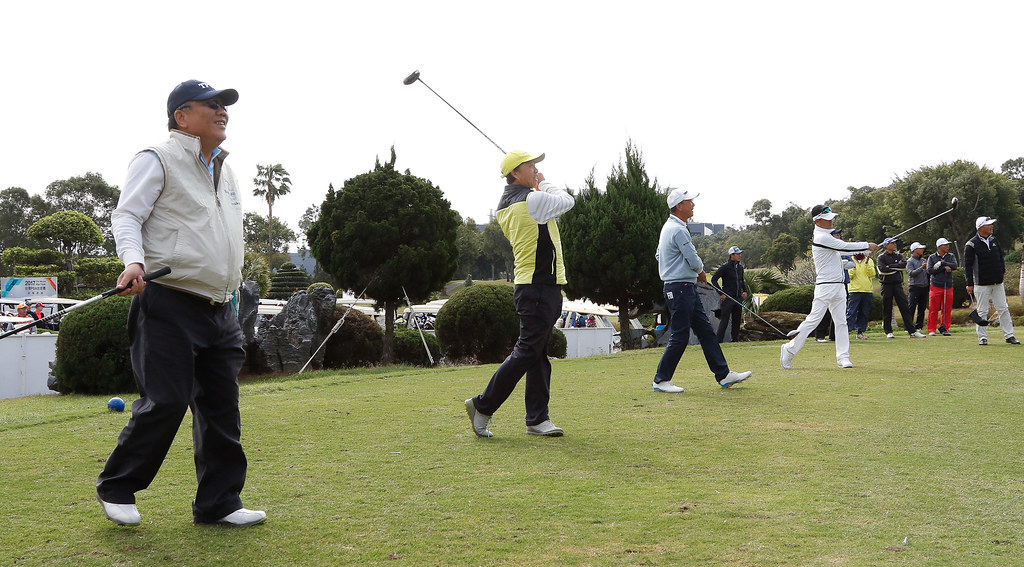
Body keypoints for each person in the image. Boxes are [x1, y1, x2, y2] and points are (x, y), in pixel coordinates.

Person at [96, 80, 265, 527]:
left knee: (221, 409)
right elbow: (127, 215)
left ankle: (219, 502)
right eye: (211, 105)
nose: (221, 111)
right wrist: (133, 261)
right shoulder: (157, 158)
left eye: (224, 106)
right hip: (169, 301)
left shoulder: (225, 169)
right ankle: (117, 486)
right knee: (166, 401)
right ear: (181, 116)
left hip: (219, 306)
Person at [466, 150, 574, 438]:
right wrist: (545, 182)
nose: (536, 169)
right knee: (528, 351)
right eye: (531, 166)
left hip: (535, 285)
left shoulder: (508, 202)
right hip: (539, 286)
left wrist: (536, 182)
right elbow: (568, 201)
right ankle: (483, 405)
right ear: (516, 173)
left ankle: (537, 419)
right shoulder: (533, 198)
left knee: (537, 353)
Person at [651, 189, 751, 393]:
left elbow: (659, 255)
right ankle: (661, 380)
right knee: (680, 335)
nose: (693, 205)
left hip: (683, 286)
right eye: (689, 201)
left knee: (706, 331)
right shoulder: (677, 229)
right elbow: (692, 257)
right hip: (680, 287)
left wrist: (689, 271)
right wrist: (699, 270)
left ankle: (723, 374)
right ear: (679, 206)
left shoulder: (670, 227)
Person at [781, 205, 879, 369]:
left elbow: (841, 252)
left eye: (831, 218)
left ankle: (843, 357)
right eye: (827, 219)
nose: (831, 221)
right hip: (825, 286)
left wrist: (866, 250)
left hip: (840, 286)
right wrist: (866, 245)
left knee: (841, 322)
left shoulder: (829, 238)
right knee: (813, 320)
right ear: (817, 220)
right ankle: (789, 349)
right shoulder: (821, 237)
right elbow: (844, 247)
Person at [964, 216, 1019, 345]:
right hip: (981, 283)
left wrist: (1002, 272)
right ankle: (982, 338)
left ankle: (1009, 335)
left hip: (998, 282)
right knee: (982, 311)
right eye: (989, 224)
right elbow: (967, 265)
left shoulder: (994, 240)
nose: (991, 226)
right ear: (980, 228)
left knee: (1003, 308)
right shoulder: (971, 244)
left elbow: (1000, 257)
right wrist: (969, 283)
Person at [876, 237, 927, 339]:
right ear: (886, 245)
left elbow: (904, 266)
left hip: (897, 284)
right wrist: (896, 266)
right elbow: (882, 270)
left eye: (895, 243)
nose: (895, 245)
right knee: (887, 308)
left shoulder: (899, 255)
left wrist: (889, 266)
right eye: (892, 243)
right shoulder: (881, 257)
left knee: (905, 307)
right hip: (886, 285)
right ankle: (888, 331)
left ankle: (912, 331)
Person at [814, 229, 851, 342]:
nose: (838, 237)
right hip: (829, 283)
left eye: (839, 235)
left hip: (842, 282)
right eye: (836, 235)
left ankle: (835, 336)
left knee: (840, 310)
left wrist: (842, 263)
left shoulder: (842, 248)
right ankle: (820, 335)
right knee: (825, 310)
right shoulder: (825, 248)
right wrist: (841, 263)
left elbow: (851, 263)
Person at [711, 245, 748, 343]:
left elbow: (741, 280)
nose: (739, 256)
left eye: (740, 254)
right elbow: (713, 280)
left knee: (736, 321)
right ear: (732, 255)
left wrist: (745, 291)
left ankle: (735, 340)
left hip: (737, 298)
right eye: (737, 254)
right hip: (727, 298)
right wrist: (721, 293)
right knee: (725, 321)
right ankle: (718, 341)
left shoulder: (740, 267)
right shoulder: (725, 267)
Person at [926, 238, 957, 336]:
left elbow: (955, 266)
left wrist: (943, 263)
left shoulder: (951, 256)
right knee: (933, 309)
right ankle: (932, 329)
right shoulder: (932, 257)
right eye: (945, 245)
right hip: (935, 286)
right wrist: (943, 268)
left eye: (948, 245)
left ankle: (945, 328)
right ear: (939, 247)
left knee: (947, 309)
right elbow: (930, 270)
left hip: (948, 286)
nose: (948, 246)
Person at [846, 251, 875, 340]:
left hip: (867, 290)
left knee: (864, 312)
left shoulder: (869, 260)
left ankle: (860, 332)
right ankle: (846, 331)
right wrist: (853, 268)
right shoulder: (849, 260)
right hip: (854, 290)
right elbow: (849, 276)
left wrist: (866, 264)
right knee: (851, 312)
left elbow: (872, 274)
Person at [905, 242, 929, 332]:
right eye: (920, 248)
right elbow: (911, 273)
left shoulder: (924, 260)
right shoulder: (910, 261)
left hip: (924, 287)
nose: (922, 250)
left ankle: (919, 327)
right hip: (914, 287)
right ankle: (908, 327)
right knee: (911, 307)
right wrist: (921, 268)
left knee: (922, 308)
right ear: (915, 250)